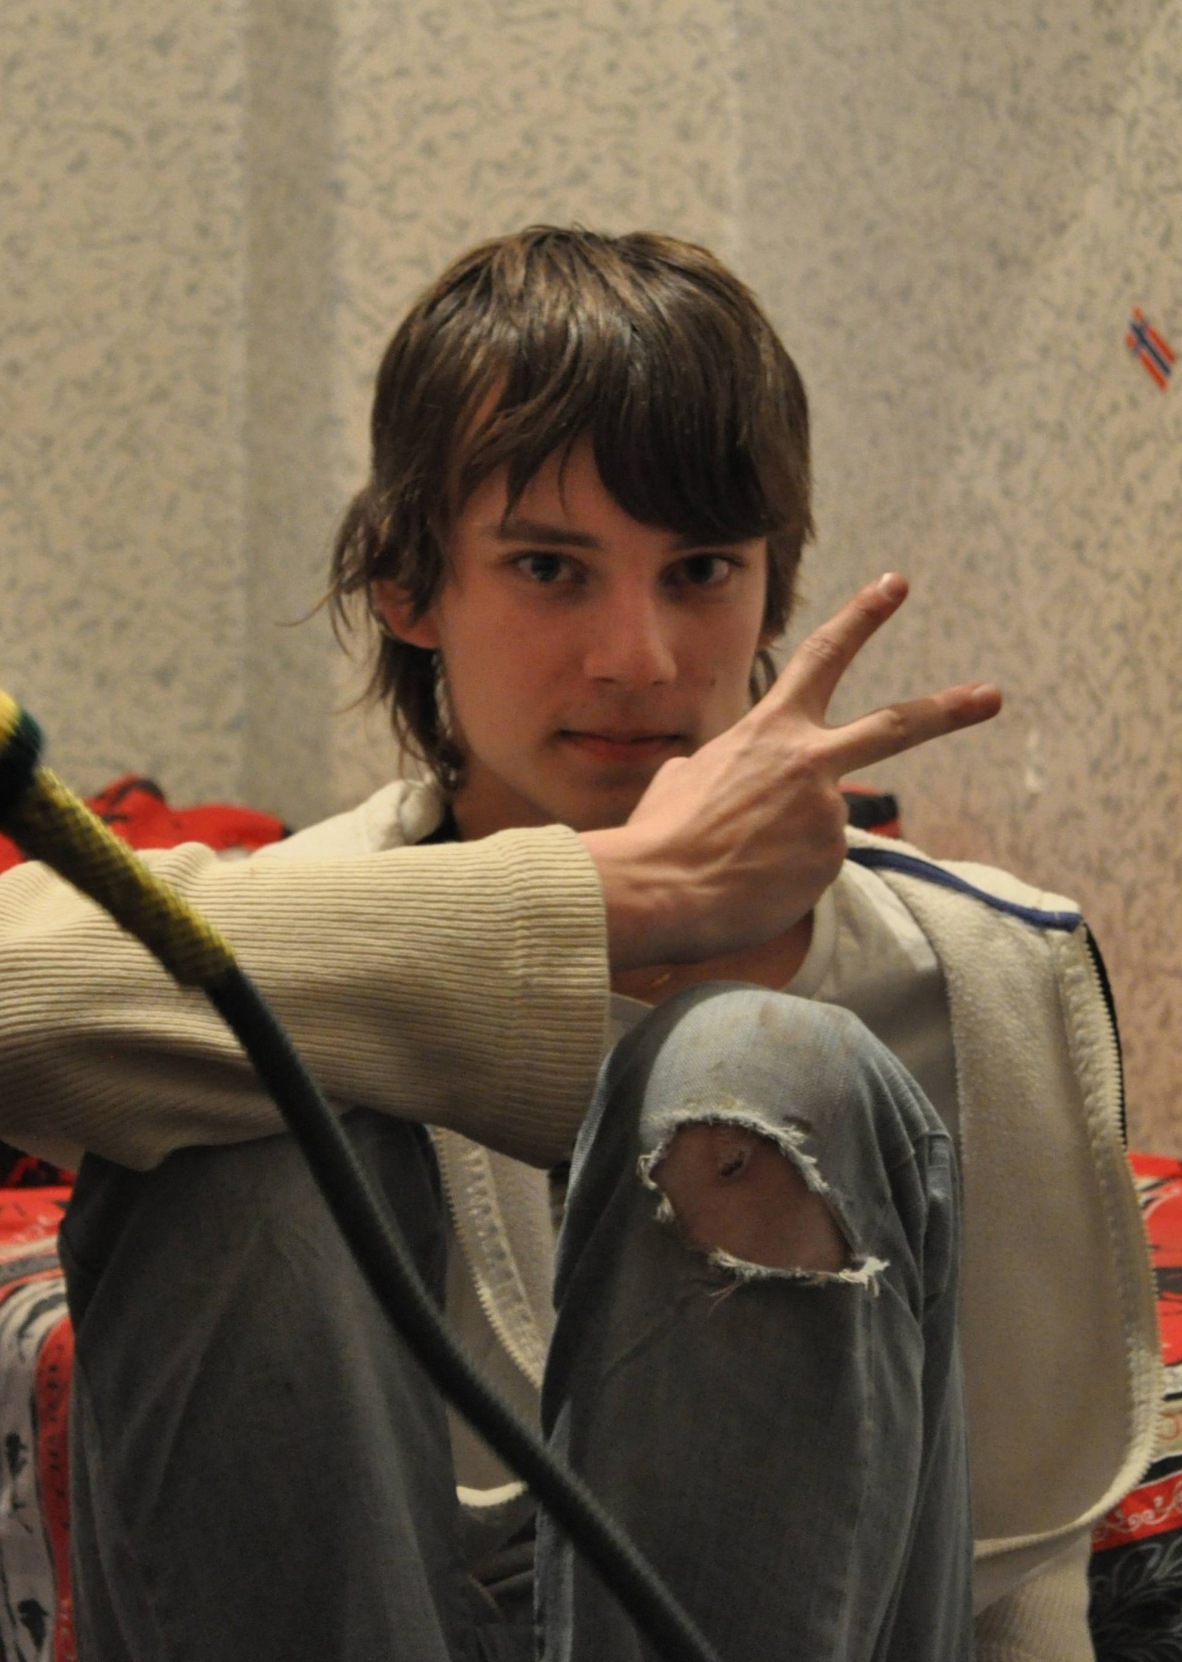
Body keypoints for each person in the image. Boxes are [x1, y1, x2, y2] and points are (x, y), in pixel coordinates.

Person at [0, 228, 1158, 1662]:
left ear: (775, 585)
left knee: (762, 1066)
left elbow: (1024, 1555)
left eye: (702, 569)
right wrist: (621, 898)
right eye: (550, 567)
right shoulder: (294, 914)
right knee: (236, 1103)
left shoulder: (973, 963)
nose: (639, 659)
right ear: (408, 584)